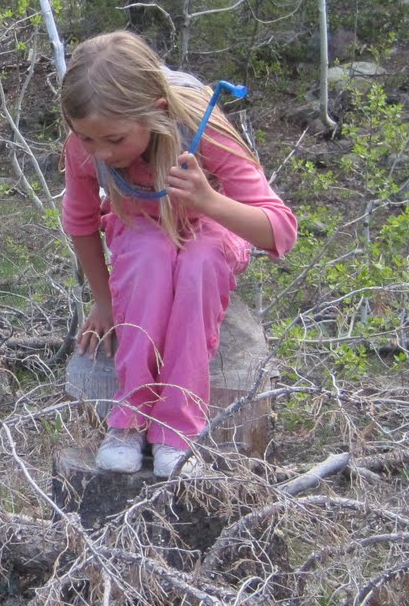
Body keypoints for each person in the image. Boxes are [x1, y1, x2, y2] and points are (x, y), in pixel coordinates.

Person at [61, 31, 298, 479]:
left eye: (113, 139)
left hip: (208, 232)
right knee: (149, 256)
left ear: (158, 111)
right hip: (140, 230)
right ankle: (129, 420)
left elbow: (280, 230)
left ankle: (177, 428)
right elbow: (81, 221)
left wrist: (209, 202)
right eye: (87, 140)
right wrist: (104, 302)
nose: (100, 153)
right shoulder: (85, 143)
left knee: (198, 265)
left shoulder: (199, 126)